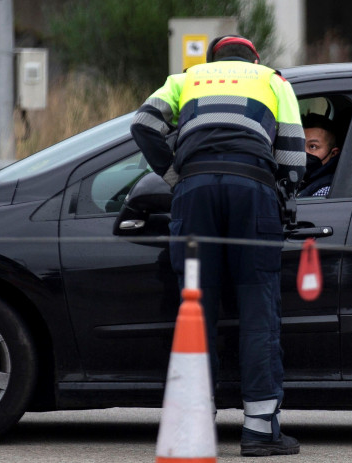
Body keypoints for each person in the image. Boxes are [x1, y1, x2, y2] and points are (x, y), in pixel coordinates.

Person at [130, 35, 305, 457]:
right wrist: (283, 196)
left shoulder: (185, 78)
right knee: (258, 306)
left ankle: (193, 423)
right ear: (255, 59)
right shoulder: (273, 80)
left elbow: (143, 125)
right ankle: (261, 430)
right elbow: (294, 154)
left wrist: (176, 177)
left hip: (195, 194)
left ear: (211, 61)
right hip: (252, 190)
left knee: (196, 307)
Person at [298, 113, 340, 197]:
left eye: (312, 146)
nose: (303, 152)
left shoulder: (325, 189)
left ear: (333, 153)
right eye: (300, 144)